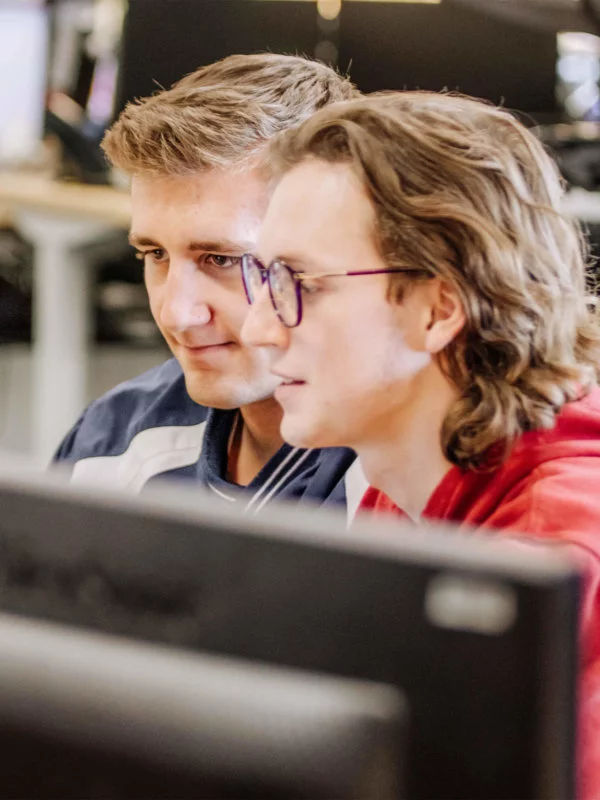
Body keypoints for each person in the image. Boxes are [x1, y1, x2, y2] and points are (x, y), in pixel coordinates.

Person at [240, 90, 600, 797]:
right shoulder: (411, 479)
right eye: (265, 278)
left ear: (437, 310)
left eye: (299, 284)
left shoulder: (551, 571)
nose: (258, 327)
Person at [53, 53, 365, 517]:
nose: (176, 314)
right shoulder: (111, 442)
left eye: (220, 259)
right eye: (154, 254)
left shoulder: (416, 475)